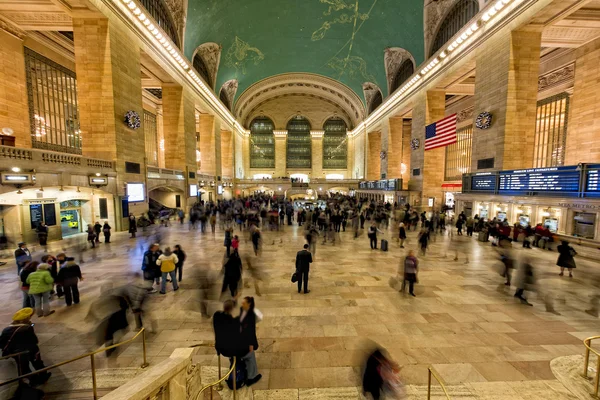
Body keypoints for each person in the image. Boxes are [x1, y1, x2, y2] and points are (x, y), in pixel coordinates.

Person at [0, 308, 51, 384]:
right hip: (31, 350)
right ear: (26, 318)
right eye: (29, 317)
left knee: (24, 367)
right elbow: (34, 340)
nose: (30, 318)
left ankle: (32, 379)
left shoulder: (6, 330)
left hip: (17, 353)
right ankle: (43, 375)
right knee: (37, 363)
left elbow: (1, 343)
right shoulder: (27, 328)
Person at [239, 296, 262, 386]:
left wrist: (251, 344)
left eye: (244, 303)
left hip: (247, 340)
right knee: (250, 358)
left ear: (249, 304)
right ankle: (251, 377)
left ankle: (249, 375)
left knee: (249, 357)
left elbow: (251, 330)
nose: (242, 304)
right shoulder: (242, 310)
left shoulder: (251, 315)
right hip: (243, 339)